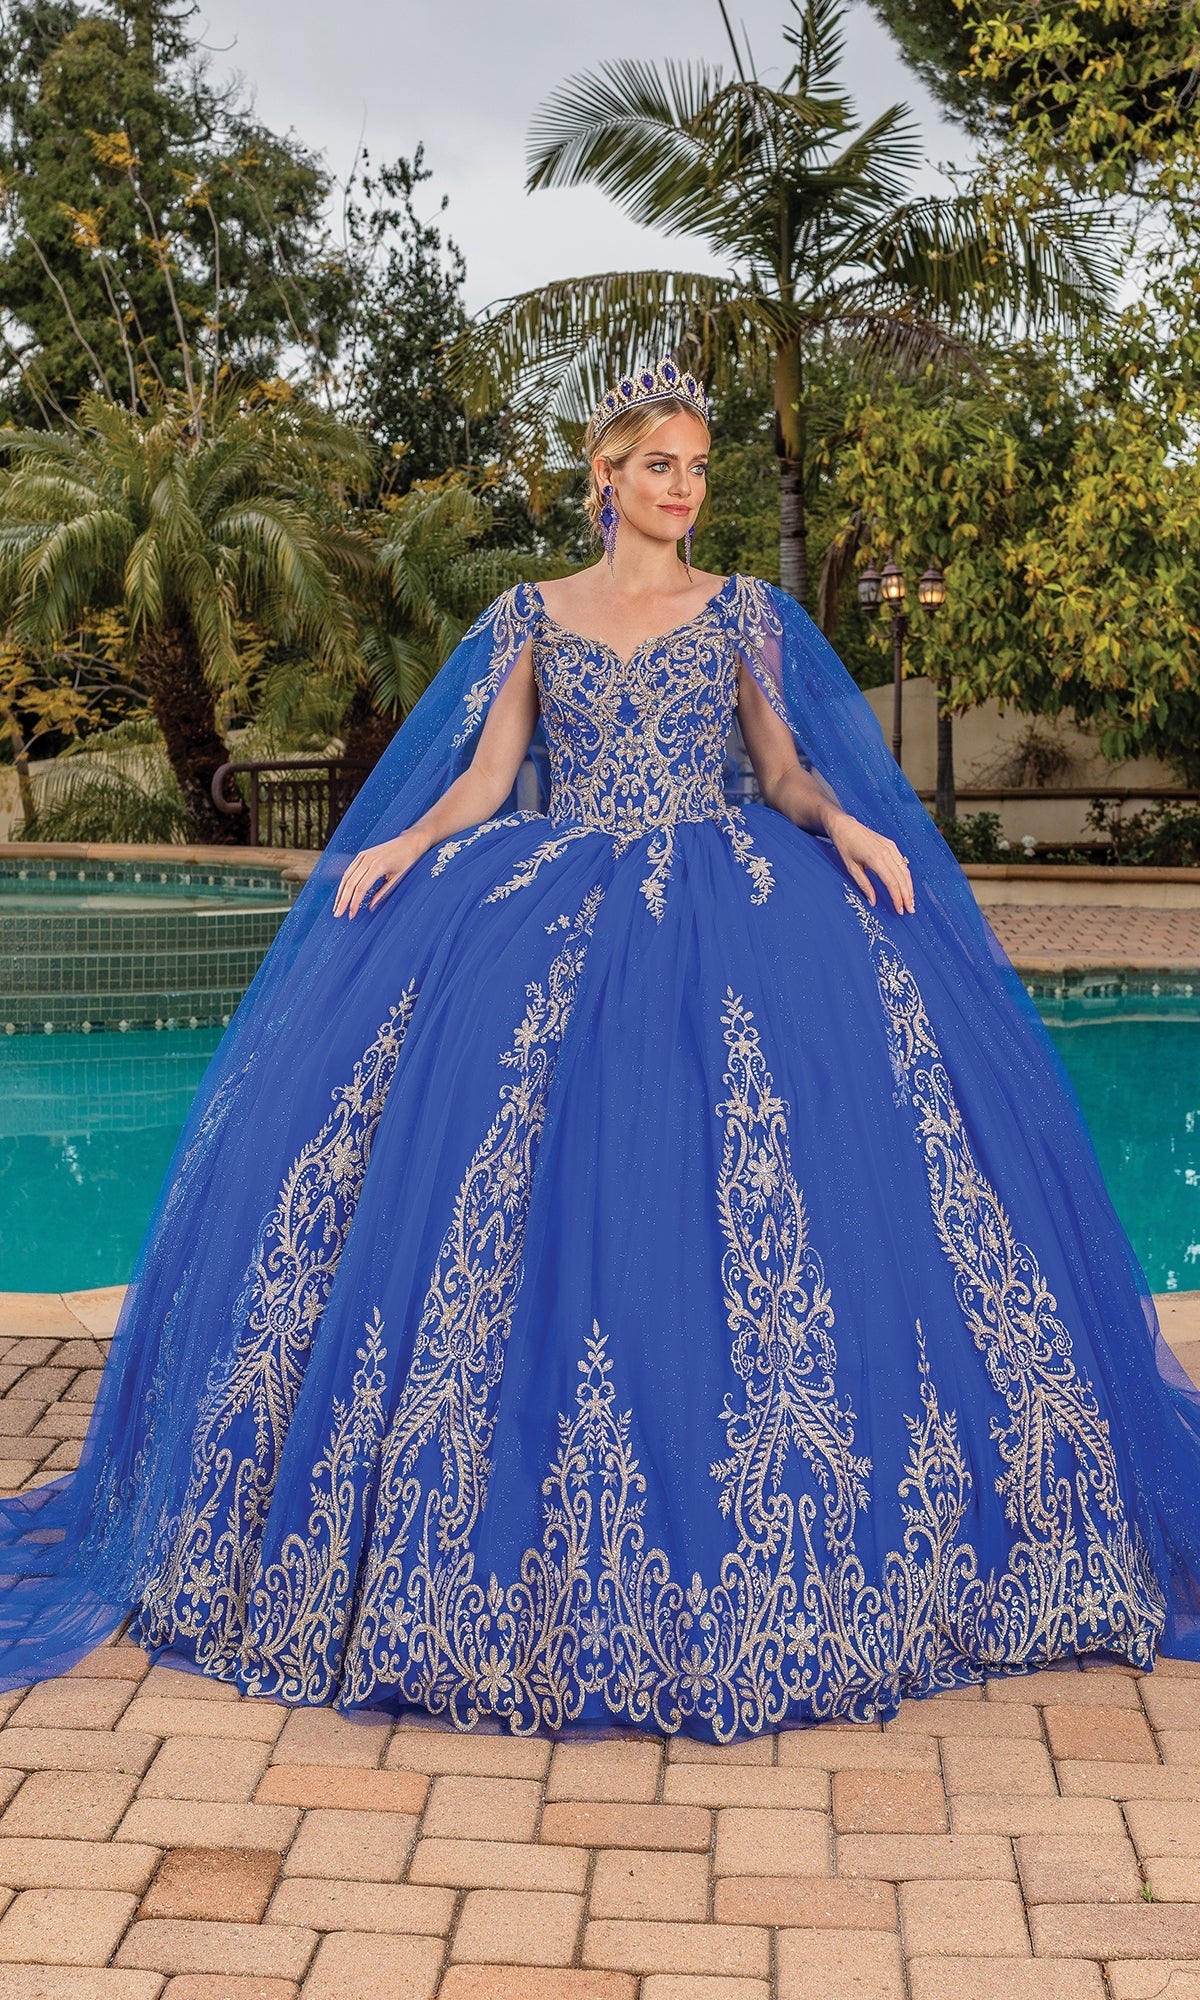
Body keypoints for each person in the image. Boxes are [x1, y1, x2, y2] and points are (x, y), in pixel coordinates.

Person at [2, 357, 1199, 1743]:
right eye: (660, 467)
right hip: (554, 899)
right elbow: (487, 778)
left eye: (697, 469)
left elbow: (787, 770)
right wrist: (399, 842)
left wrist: (851, 827)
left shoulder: (743, 617)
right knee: (521, 1186)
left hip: (732, 905)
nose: (684, 491)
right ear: (604, 479)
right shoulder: (531, 619)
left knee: (771, 1183)